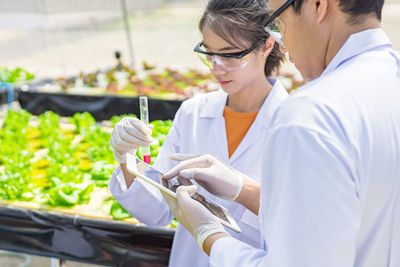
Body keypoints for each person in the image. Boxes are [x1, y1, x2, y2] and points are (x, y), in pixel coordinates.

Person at [162, 0, 400, 266]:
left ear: (318, 5)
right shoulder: (390, 78)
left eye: (278, 22)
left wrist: (209, 236)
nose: (281, 43)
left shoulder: (311, 114)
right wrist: (245, 190)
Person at [108, 0, 288, 266]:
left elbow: (300, 223)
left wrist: (243, 194)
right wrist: (128, 161)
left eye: (230, 54)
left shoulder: (291, 122)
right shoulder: (192, 114)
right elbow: (158, 212)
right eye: (209, 53)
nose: (216, 67)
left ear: (266, 45)